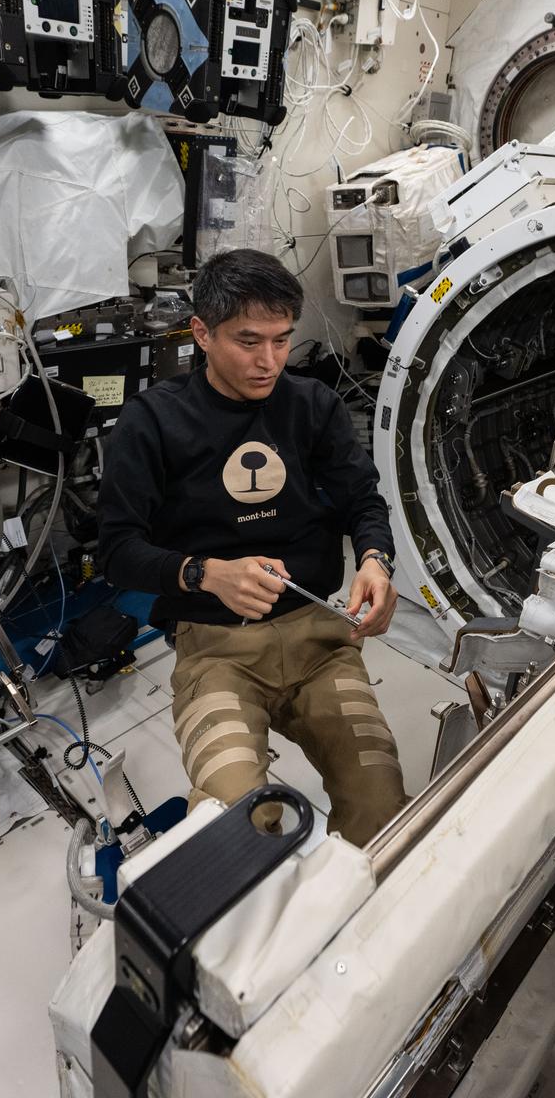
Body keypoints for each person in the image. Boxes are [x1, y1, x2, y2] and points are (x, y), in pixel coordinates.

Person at [97, 248, 407, 843]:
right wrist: (204, 574)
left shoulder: (312, 406)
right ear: (201, 334)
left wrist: (375, 561)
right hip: (217, 652)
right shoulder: (152, 422)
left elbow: (363, 500)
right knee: (236, 829)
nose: (270, 362)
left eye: (282, 340)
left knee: (382, 806)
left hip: (321, 640)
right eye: (249, 342)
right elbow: (117, 552)